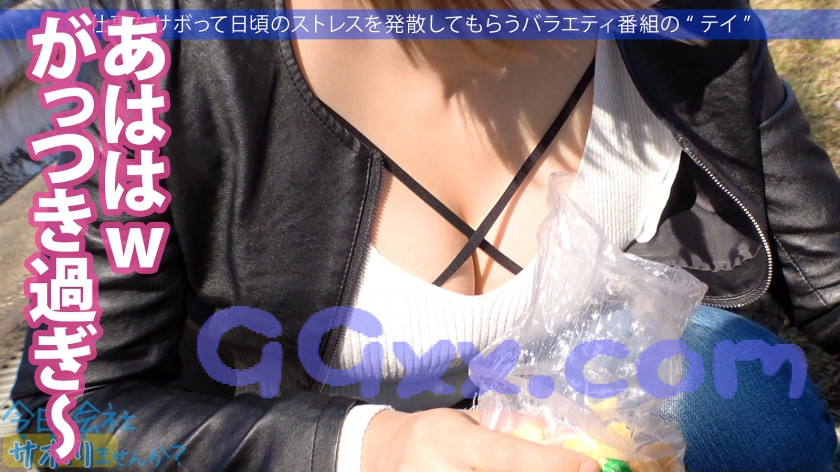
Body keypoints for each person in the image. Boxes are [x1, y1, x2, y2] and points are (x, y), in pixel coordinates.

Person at [10, 0, 840, 470]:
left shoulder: (678, 24)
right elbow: (68, 417)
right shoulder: (151, 50)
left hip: (601, 432)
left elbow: (826, 274)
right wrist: (373, 448)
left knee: (737, 398)